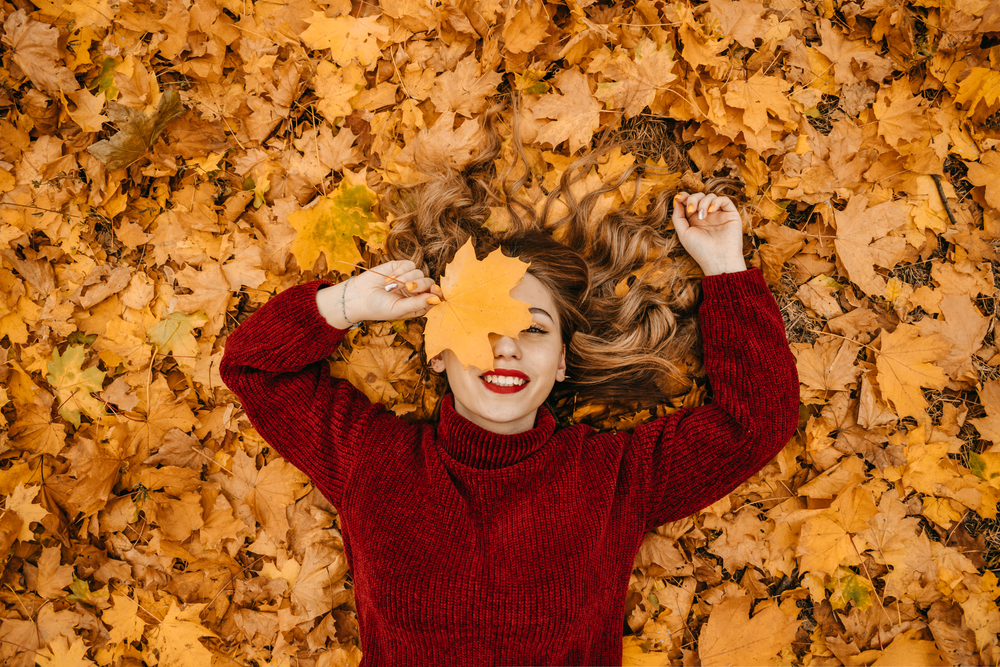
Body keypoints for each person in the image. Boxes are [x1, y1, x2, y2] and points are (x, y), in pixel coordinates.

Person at [219, 103, 800, 666]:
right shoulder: (372, 462)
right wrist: (349, 302)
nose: (506, 345)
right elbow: (254, 369)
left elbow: (756, 421)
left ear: (563, 364)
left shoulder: (613, 479)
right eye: (484, 323)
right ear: (440, 352)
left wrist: (725, 264)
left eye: (534, 329)